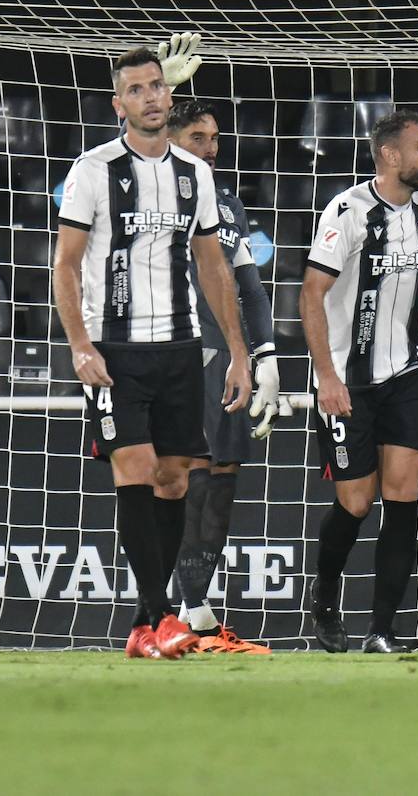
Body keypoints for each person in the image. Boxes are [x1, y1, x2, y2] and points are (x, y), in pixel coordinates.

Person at [53, 48, 252, 660]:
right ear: (119, 105)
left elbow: (213, 265)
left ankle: (145, 624)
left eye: (156, 86)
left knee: (173, 479)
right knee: (135, 469)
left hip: (180, 347)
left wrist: (239, 351)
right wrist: (79, 344)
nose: (150, 97)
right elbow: (65, 264)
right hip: (114, 349)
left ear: (169, 95)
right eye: (136, 90)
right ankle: (164, 615)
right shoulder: (93, 170)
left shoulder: (194, 173)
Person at [299, 109, 418, 654]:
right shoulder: (347, 211)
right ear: (390, 155)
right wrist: (327, 377)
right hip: (348, 382)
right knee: (356, 503)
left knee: (402, 496)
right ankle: (325, 596)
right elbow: (310, 295)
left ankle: (382, 630)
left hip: (406, 376)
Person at [166, 100, 280, 655]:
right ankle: (190, 614)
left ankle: (193, 606)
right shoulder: (150, 192)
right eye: (197, 137)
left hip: (228, 357)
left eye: (214, 138)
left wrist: (266, 355)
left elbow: (250, 288)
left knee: (223, 478)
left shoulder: (228, 204)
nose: (211, 148)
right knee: (188, 477)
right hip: (175, 354)